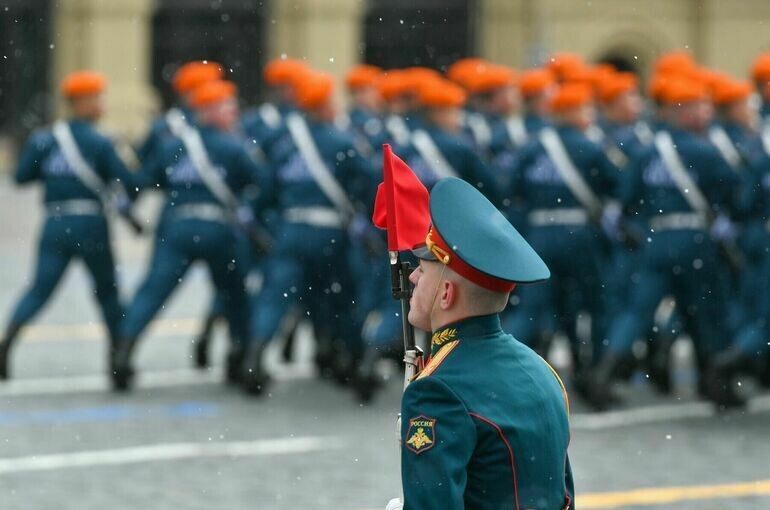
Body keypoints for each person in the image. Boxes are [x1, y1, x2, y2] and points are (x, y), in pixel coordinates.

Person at [387, 177, 573, 510]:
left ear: (447, 294)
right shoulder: (542, 370)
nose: (412, 276)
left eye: (423, 271)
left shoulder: (437, 390)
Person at [588, 79, 745, 409]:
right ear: (684, 112)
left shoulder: (647, 152)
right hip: (695, 239)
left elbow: (627, 200)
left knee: (637, 312)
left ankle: (603, 375)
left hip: (656, 240)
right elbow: (737, 196)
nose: (705, 112)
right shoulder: (705, 150)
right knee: (705, 311)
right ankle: (714, 382)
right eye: (698, 106)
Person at [111, 80, 268, 391]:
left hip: (176, 228)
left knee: (153, 292)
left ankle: (122, 355)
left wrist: (127, 201)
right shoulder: (234, 147)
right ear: (208, 111)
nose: (233, 113)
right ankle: (241, 359)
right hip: (219, 231)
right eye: (226, 107)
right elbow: (261, 184)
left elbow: (143, 179)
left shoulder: (172, 145)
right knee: (235, 296)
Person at [241, 71, 376, 395]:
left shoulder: (285, 144)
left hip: (291, 230)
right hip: (331, 233)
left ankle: (255, 359)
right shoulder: (343, 142)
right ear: (325, 106)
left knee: (275, 298)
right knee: (342, 297)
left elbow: (265, 192)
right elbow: (370, 182)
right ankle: (351, 360)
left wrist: (262, 225)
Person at [0, 71, 138, 380]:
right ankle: (118, 361)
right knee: (107, 292)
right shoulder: (101, 141)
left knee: (39, 290)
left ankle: (7, 343)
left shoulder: (45, 139)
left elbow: (21, 177)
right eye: (97, 97)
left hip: (55, 222)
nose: (102, 103)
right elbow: (126, 182)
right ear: (83, 102)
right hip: (91, 223)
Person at [503, 83, 620, 381]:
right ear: (570, 112)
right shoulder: (591, 147)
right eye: (584, 108)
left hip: (539, 233)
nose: (589, 115)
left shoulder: (530, 147)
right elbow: (618, 185)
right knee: (593, 303)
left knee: (533, 307)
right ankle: (592, 371)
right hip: (578, 233)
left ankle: (507, 369)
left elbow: (510, 189)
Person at [136, 60, 223, 164]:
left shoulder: (223, 122)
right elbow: (146, 165)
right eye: (207, 88)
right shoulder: (165, 125)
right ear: (188, 93)